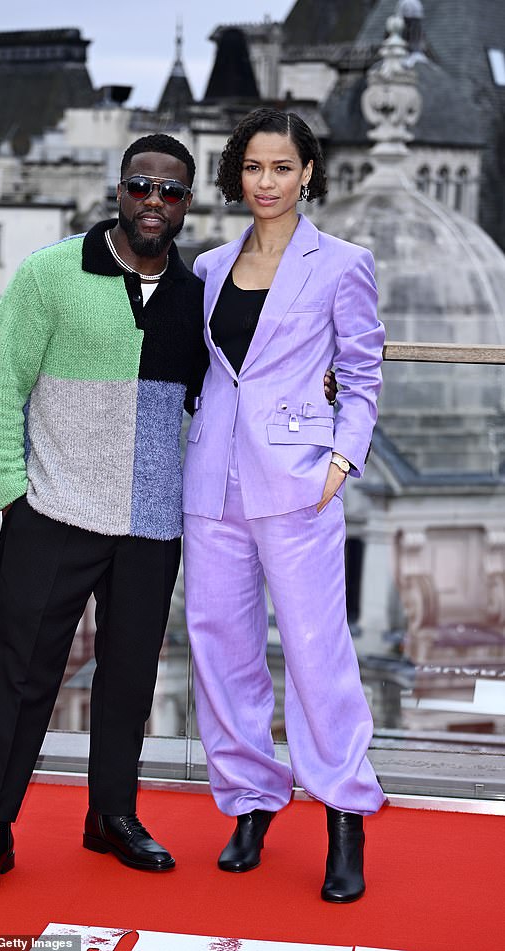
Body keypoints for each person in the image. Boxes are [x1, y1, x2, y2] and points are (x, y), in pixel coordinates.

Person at [0, 134, 208, 895]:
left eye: (171, 192)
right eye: (141, 187)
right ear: (117, 193)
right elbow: (0, 385)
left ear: (187, 204)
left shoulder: (196, 298)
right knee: (23, 677)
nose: (154, 202)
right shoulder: (49, 273)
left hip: (149, 525)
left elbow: (227, 392)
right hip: (52, 513)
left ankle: (111, 815)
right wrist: (11, 494)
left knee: (128, 679)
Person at [182, 108, 386, 903]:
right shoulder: (206, 267)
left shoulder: (341, 263)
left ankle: (343, 812)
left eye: (281, 167)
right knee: (220, 649)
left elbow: (363, 373)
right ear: (238, 174)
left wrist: (341, 460)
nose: (266, 182)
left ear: (308, 173)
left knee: (315, 651)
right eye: (253, 167)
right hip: (212, 485)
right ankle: (250, 802)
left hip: (300, 482)